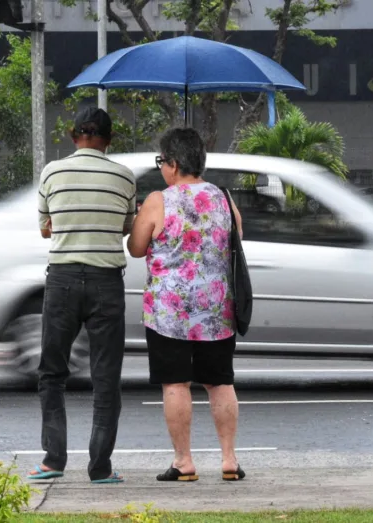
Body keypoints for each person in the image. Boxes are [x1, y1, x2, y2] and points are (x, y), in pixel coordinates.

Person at [127, 128, 246, 482]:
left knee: (176, 384)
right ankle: (228, 459)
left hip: (169, 313)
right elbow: (237, 238)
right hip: (216, 311)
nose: (161, 168)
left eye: (162, 161)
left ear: (174, 163)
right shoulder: (224, 198)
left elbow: (135, 248)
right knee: (220, 383)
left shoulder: (158, 201)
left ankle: (184, 462)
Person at [30, 107, 136, 484]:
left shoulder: (52, 172)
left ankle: (53, 460)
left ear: (74, 135)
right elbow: (126, 227)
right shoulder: (125, 177)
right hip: (107, 283)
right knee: (106, 377)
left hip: (61, 281)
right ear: (109, 140)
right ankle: (100, 467)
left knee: (52, 372)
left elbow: (45, 227)